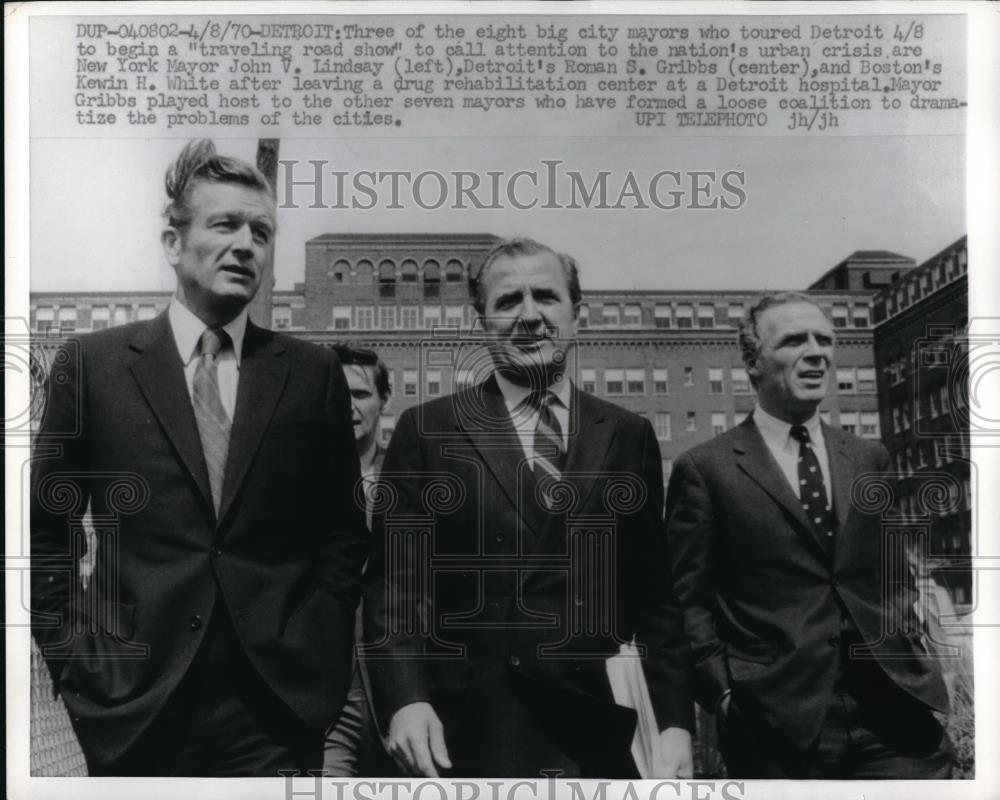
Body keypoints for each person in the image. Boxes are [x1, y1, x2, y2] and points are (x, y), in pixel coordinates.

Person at [30, 139, 368, 776]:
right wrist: (73, 659)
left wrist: (318, 646)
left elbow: (341, 535)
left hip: (275, 709)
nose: (247, 244)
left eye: (262, 232)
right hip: (134, 704)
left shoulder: (310, 372)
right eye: (225, 224)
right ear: (172, 242)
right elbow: (46, 530)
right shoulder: (94, 367)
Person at [363, 237, 693, 778]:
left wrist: (675, 721)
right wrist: (404, 699)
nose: (530, 316)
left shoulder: (627, 434)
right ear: (481, 322)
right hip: (471, 727)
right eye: (508, 301)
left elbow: (655, 596)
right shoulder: (429, 430)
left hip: (599, 727)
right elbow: (397, 588)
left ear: (576, 315)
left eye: (546, 297)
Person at [666, 292, 953, 778]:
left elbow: (893, 575)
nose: (817, 351)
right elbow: (687, 601)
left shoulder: (868, 458)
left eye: (825, 339)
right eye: (795, 340)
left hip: (894, 714)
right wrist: (725, 692)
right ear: (753, 362)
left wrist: (907, 643)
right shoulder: (706, 469)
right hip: (779, 725)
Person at [324, 344, 392, 775]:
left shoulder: (414, 477)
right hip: (331, 696)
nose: (349, 407)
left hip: (401, 689)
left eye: (362, 395)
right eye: (337, 394)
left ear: (385, 400)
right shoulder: (296, 480)